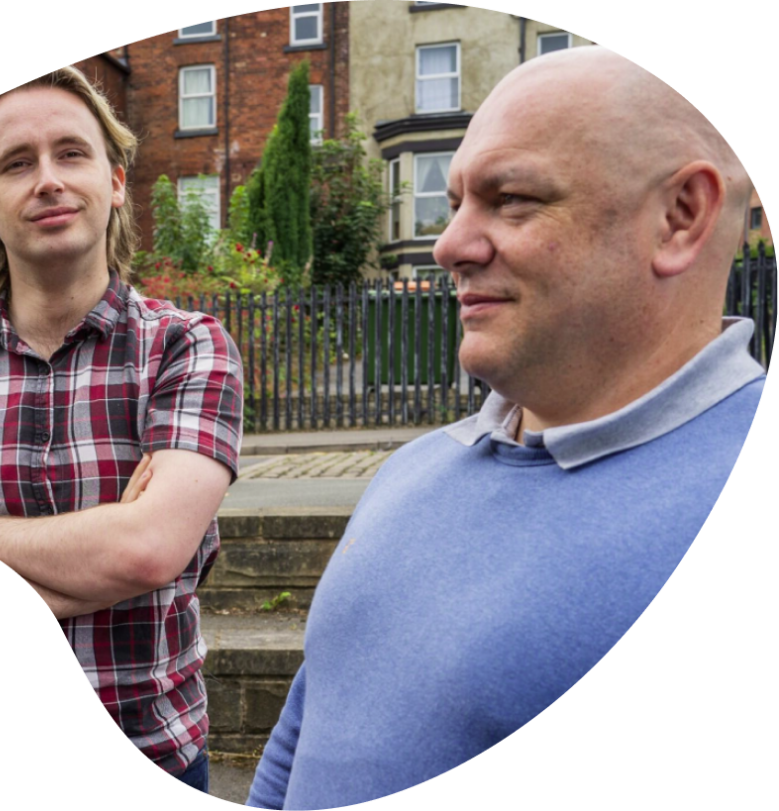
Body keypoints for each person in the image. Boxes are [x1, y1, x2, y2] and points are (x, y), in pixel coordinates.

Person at [246, 45, 766, 809]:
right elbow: (300, 734)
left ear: (680, 216)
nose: (450, 244)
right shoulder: (412, 468)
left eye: (511, 198)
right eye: (456, 200)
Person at [0, 66, 243, 792]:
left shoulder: (187, 347)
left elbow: (147, 550)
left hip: (153, 749)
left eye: (71, 153)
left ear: (116, 181)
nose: (48, 179)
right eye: (16, 162)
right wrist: (105, 545)